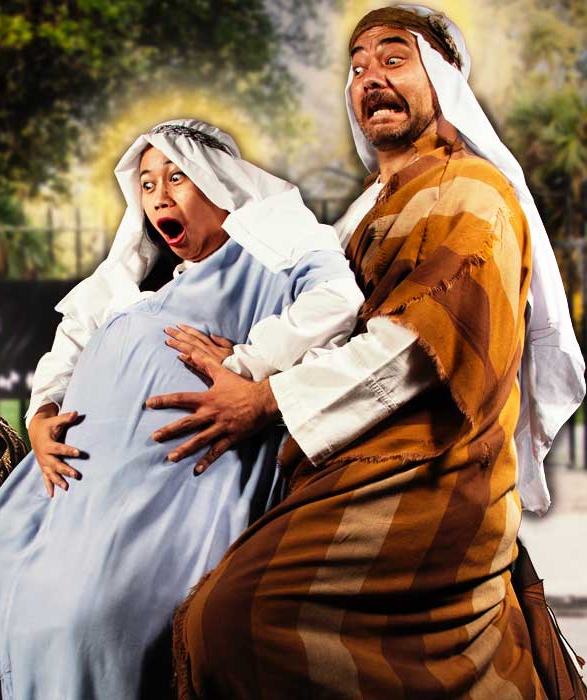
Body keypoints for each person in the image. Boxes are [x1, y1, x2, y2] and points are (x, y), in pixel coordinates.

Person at [165, 7, 586, 699]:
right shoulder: (364, 211)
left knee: (236, 619)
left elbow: (411, 347)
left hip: (432, 471)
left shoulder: (472, 192)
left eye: (394, 59)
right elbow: (327, 323)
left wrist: (261, 399)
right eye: (357, 67)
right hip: (349, 461)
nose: (370, 78)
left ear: (442, 81)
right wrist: (244, 357)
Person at [0, 119, 364, 700]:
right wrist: (39, 416)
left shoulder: (271, 258)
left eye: (176, 177)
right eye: (148, 183)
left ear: (219, 182)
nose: (159, 195)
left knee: (77, 620)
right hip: (70, 478)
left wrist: (248, 362)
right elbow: (72, 337)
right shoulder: (144, 282)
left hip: (169, 486)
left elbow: (337, 300)